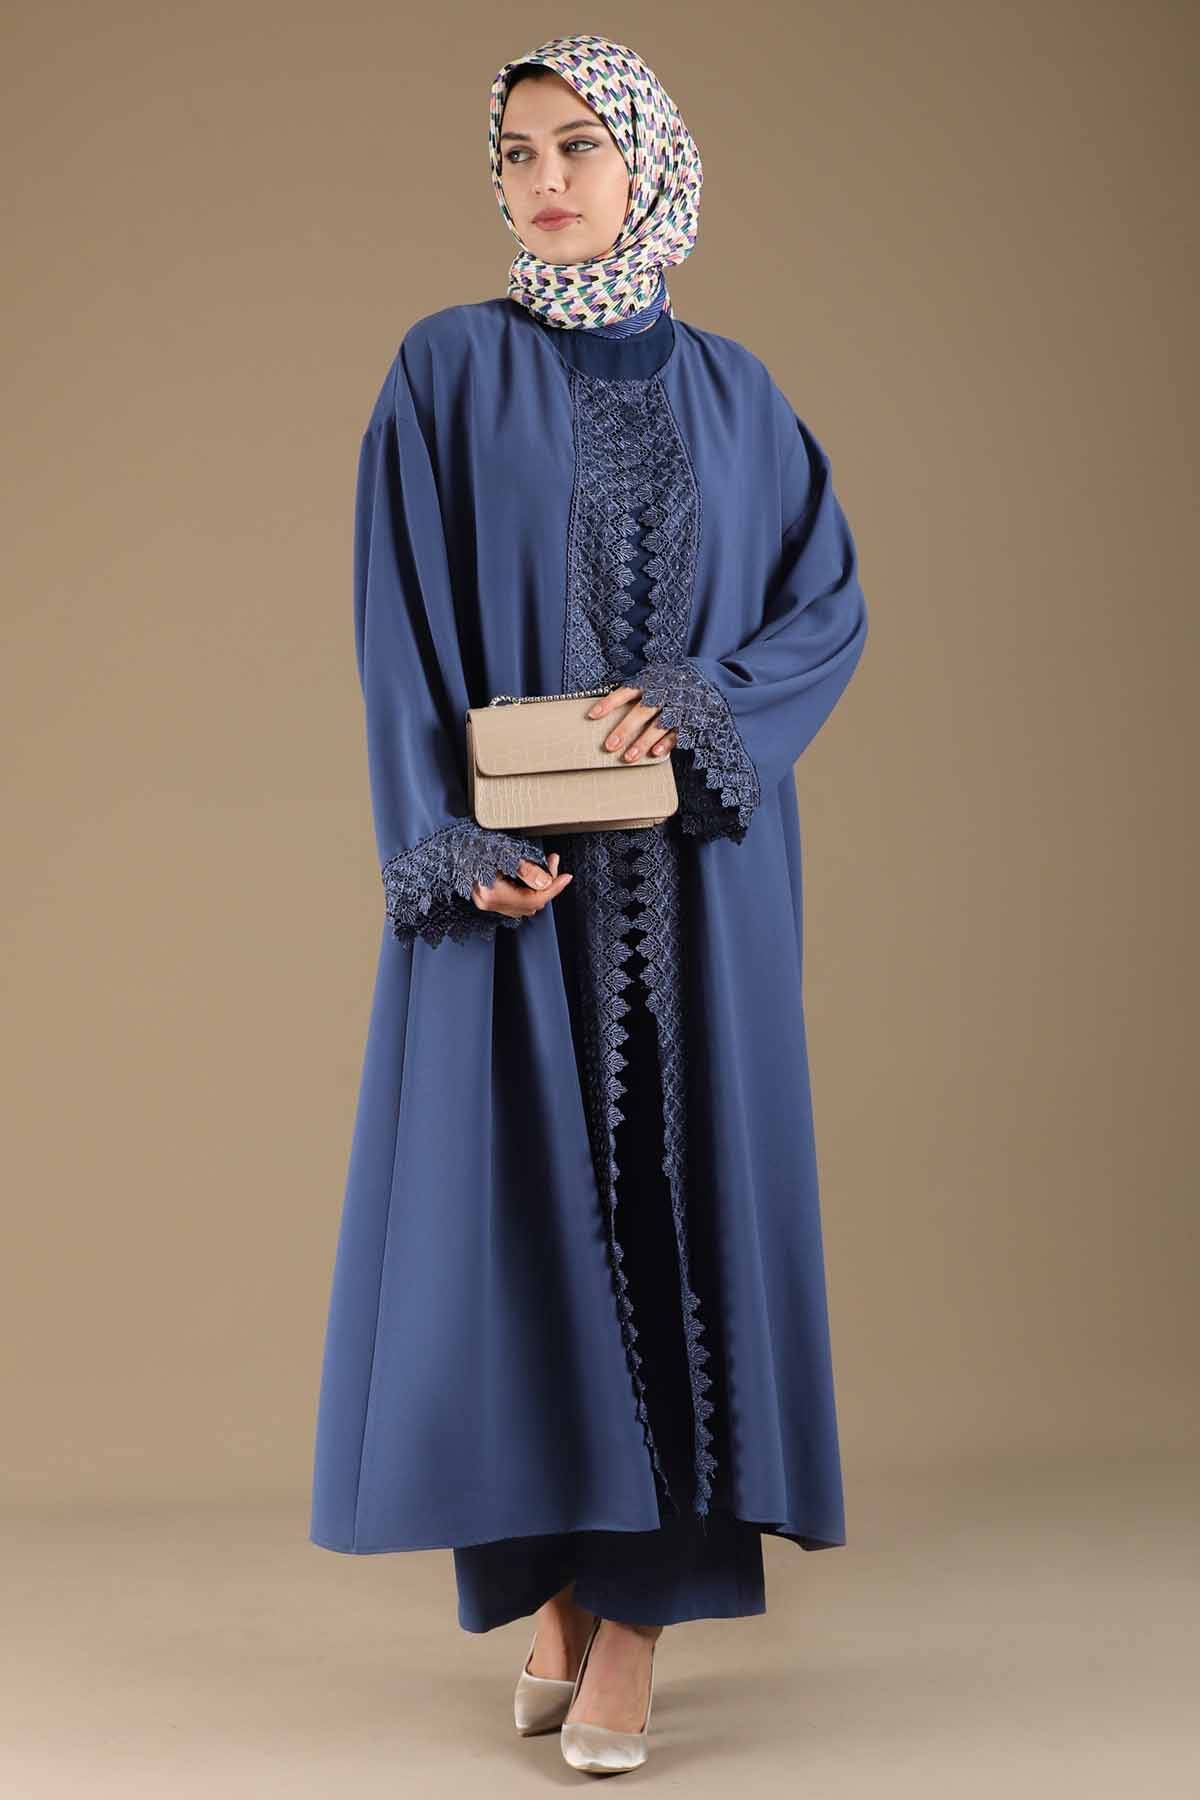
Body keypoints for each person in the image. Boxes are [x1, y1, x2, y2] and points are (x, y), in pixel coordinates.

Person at [309, 33, 869, 1775]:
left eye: (579, 146)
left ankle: (633, 1626)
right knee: (519, 1235)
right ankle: (548, 1587)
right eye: (517, 153)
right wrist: (448, 846)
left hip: (698, 895)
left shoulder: (744, 397)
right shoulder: (445, 371)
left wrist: (702, 701)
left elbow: (827, 609)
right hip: (518, 896)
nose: (545, 180)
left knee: (674, 1217)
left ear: (650, 166)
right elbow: (397, 628)